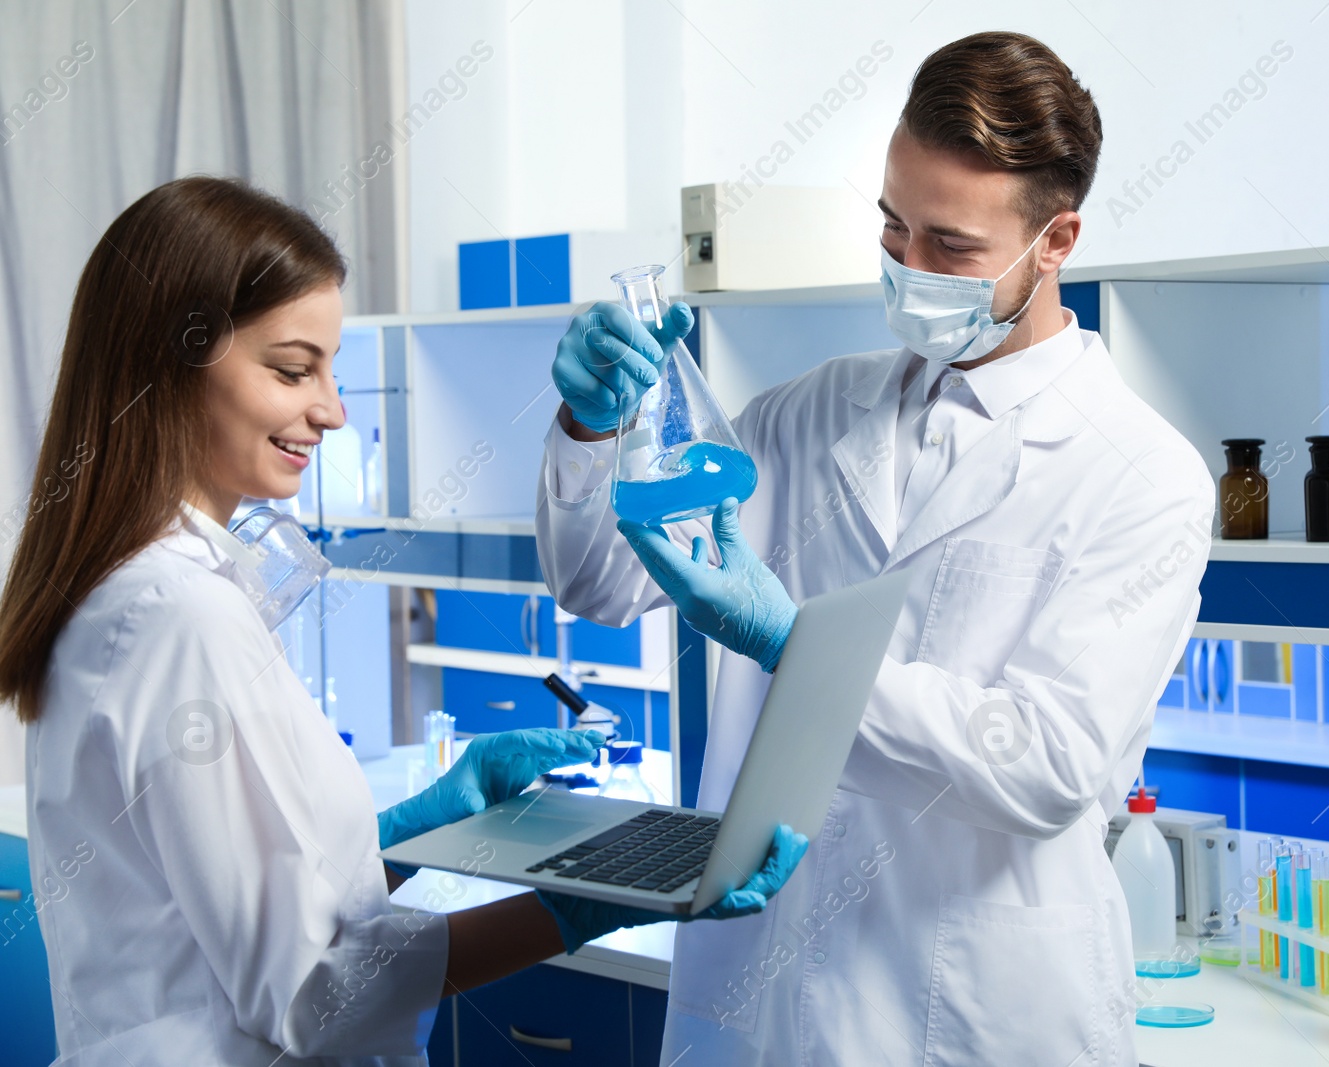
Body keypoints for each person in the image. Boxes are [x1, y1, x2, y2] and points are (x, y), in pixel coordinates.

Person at [0, 176, 806, 1066]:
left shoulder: (125, 587)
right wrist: (590, 904)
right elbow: (318, 995)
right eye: (291, 367)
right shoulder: (180, 614)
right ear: (170, 359)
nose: (333, 410)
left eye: (332, 369)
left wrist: (425, 821)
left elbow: (239, 905)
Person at [536, 31, 1215, 1066]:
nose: (908, 267)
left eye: (951, 247)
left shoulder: (1141, 475)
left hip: (976, 1014)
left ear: (1057, 239)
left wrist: (789, 645)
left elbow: (1041, 767)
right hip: (761, 994)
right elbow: (599, 579)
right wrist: (591, 428)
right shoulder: (808, 414)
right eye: (894, 227)